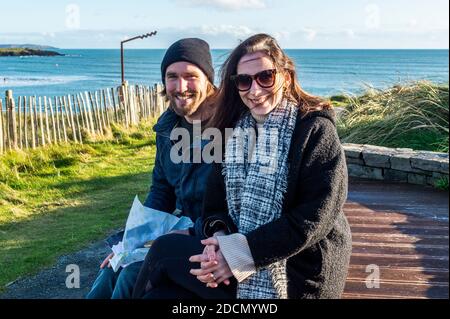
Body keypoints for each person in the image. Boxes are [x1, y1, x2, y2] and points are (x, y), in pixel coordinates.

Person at [132, 33, 352, 299]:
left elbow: (313, 219)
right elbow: (216, 207)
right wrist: (220, 240)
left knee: (163, 252)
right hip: (237, 253)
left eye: (265, 77)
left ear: (286, 75)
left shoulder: (314, 130)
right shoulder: (235, 131)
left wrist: (239, 255)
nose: (255, 90)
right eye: (244, 81)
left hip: (296, 272)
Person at [86, 38, 218, 299]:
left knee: (131, 275)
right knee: (111, 270)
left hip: (212, 235)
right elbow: (162, 190)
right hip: (180, 229)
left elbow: (235, 206)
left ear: (208, 81)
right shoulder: (169, 128)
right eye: (172, 77)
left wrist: (193, 230)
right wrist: (131, 242)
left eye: (191, 76)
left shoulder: (231, 127)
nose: (180, 87)